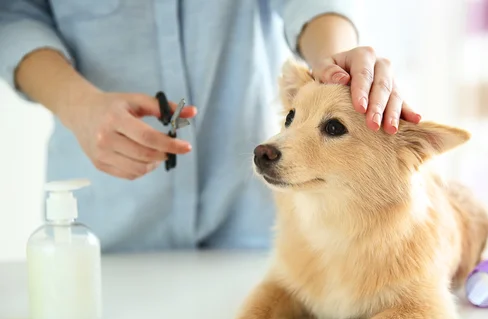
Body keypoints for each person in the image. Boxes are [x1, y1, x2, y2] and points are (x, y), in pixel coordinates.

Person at [0, 1, 421, 253]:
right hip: (106, 224)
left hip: (251, 223)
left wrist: (335, 66)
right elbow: (14, 14)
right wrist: (78, 104)